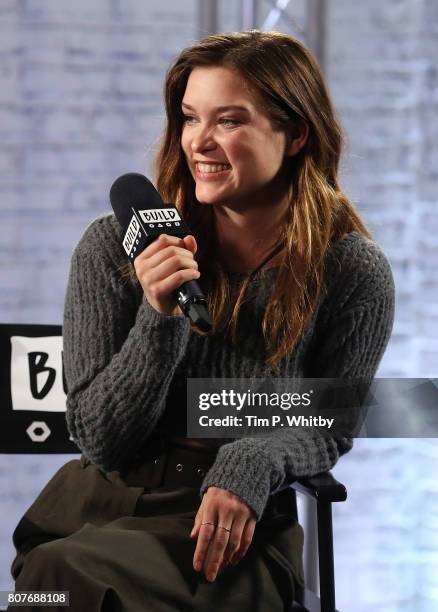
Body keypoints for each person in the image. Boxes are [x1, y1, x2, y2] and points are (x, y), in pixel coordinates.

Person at [9, 30, 395, 611]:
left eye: (230, 120)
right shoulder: (113, 246)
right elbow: (102, 441)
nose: (200, 143)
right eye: (190, 118)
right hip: (92, 507)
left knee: (62, 583)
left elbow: (331, 422)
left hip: (223, 525)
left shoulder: (350, 270)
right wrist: (160, 316)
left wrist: (251, 460)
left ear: (295, 135)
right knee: (52, 587)